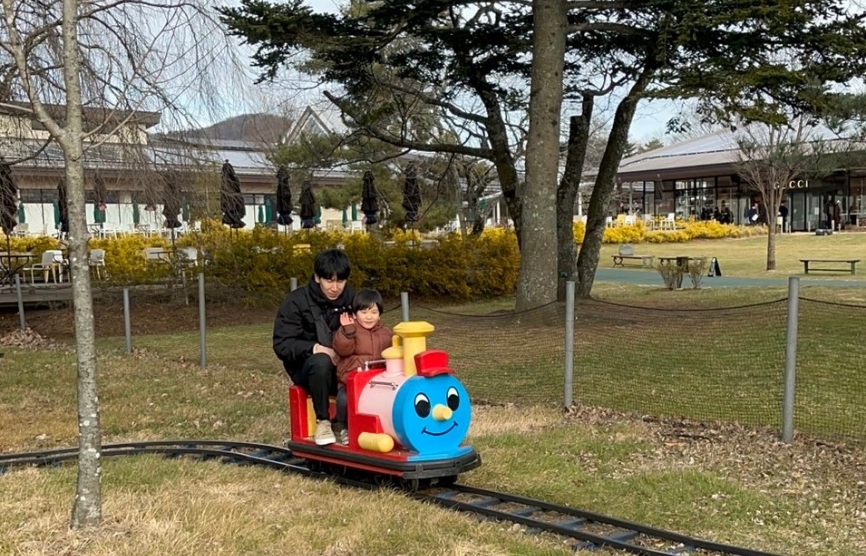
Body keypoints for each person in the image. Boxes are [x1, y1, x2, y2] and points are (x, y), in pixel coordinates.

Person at [273, 249, 356, 446]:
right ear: (318, 277)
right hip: (307, 369)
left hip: (345, 364)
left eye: (340, 281)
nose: (335, 287)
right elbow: (282, 344)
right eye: (329, 281)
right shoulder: (296, 302)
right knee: (321, 362)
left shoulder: (352, 298)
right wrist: (316, 348)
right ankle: (323, 421)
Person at [332, 289, 393, 445]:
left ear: (380, 314)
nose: (369, 316)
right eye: (364, 312)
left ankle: (384, 428)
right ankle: (345, 427)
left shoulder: (386, 333)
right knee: (344, 399)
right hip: (351, 381)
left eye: (373, 312)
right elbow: (342, 349)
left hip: (377, 382)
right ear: (355, 313)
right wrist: (347, 332)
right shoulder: (350, 330)